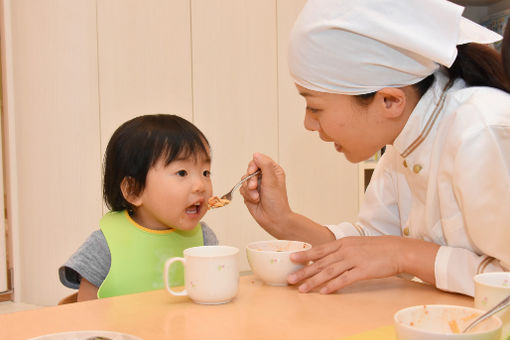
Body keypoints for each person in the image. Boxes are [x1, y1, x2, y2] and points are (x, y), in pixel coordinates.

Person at [241, 0, 510, 297]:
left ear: (390, 101)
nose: (309, 123)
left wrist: (404, 254)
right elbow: (370, 245)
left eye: (314, 107)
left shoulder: (481, 132)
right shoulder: (403, 141)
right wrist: (284, 222)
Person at [59, 114, 217, 301]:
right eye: (182, 172)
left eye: (205, 172)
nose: (200, 185)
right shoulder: (105, 245)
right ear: (134, 190)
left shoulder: (205, 240)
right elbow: (85, 315)